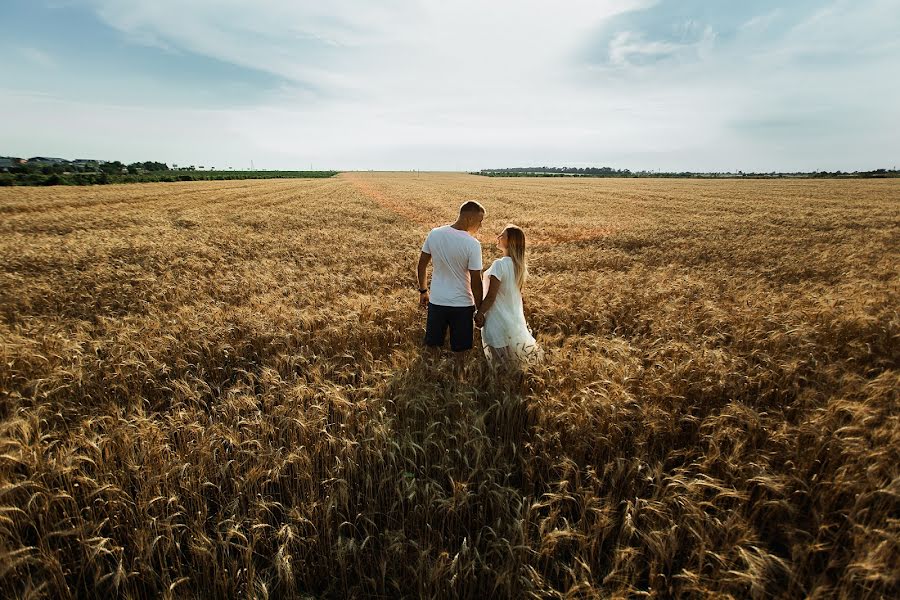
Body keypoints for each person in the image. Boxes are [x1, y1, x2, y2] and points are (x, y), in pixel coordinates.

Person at [417, 201, 485, 376]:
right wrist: (480, 309)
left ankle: (429, 380)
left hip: (437, 301)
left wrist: (423, 291)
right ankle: (458, 382)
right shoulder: (473, 244)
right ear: (469, 217)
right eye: (480, 221)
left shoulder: (435, 234)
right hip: (462, 305)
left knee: (432, 346)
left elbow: (422, 264)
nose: (480, 225)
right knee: (461, 352)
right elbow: (475, 281)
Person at [477, 224, 541, 366]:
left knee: (499, 367)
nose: (498, 237)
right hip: (513, 322)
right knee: (513, 365)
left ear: (510, 241)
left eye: (502, 235)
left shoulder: (499, 265)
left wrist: (479, 313)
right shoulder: (519, 267)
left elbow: (491, 296)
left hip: (496, 321)